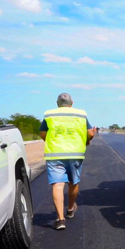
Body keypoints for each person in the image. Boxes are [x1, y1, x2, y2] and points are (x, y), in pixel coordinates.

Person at [40, 93, 95, 230]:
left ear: (57, 103)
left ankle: (60, 219)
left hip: (55, 154)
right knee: (73, 182)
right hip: (75, 153)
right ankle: (70, 209)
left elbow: (43, 134)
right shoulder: (81, 114)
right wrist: (87, 141)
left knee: (57, 185)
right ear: (72, 102)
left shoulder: (49, 114)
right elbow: (90, 133)